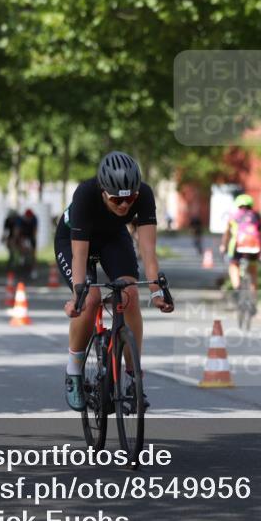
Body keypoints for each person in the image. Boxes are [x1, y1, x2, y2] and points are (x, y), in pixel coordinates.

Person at [55, 151, 175, 411]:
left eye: (130, 199)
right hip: (74, 242)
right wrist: (78, 295)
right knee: (91, 299)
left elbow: (148, 251)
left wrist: (156, 291)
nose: (124, 206)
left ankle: (134, 379)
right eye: (116, 200)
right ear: (102, 191)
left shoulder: (143, 194)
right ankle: (74, 371)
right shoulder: (85, 194)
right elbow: (79, 255)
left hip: (112, 238)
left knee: (129, 294)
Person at [219, 193, 261, 304]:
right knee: (253, 272)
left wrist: (223, 246)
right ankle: (253, 299)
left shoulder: (233, 216)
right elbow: (260, 234)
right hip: (254, 248)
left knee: (233, 265)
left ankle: (237, 287)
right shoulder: (256, 216)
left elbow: (227, 234)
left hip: (237, 247)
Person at [22, 209, 38, 278]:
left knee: (33, 255)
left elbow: (35, 231)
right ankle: (23, 266)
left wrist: (32, 241)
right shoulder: (22, 220)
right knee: (24, 252)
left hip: (31, 237)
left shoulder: (34, 219)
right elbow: (20, 231)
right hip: (24, 237)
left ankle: (33, 270)